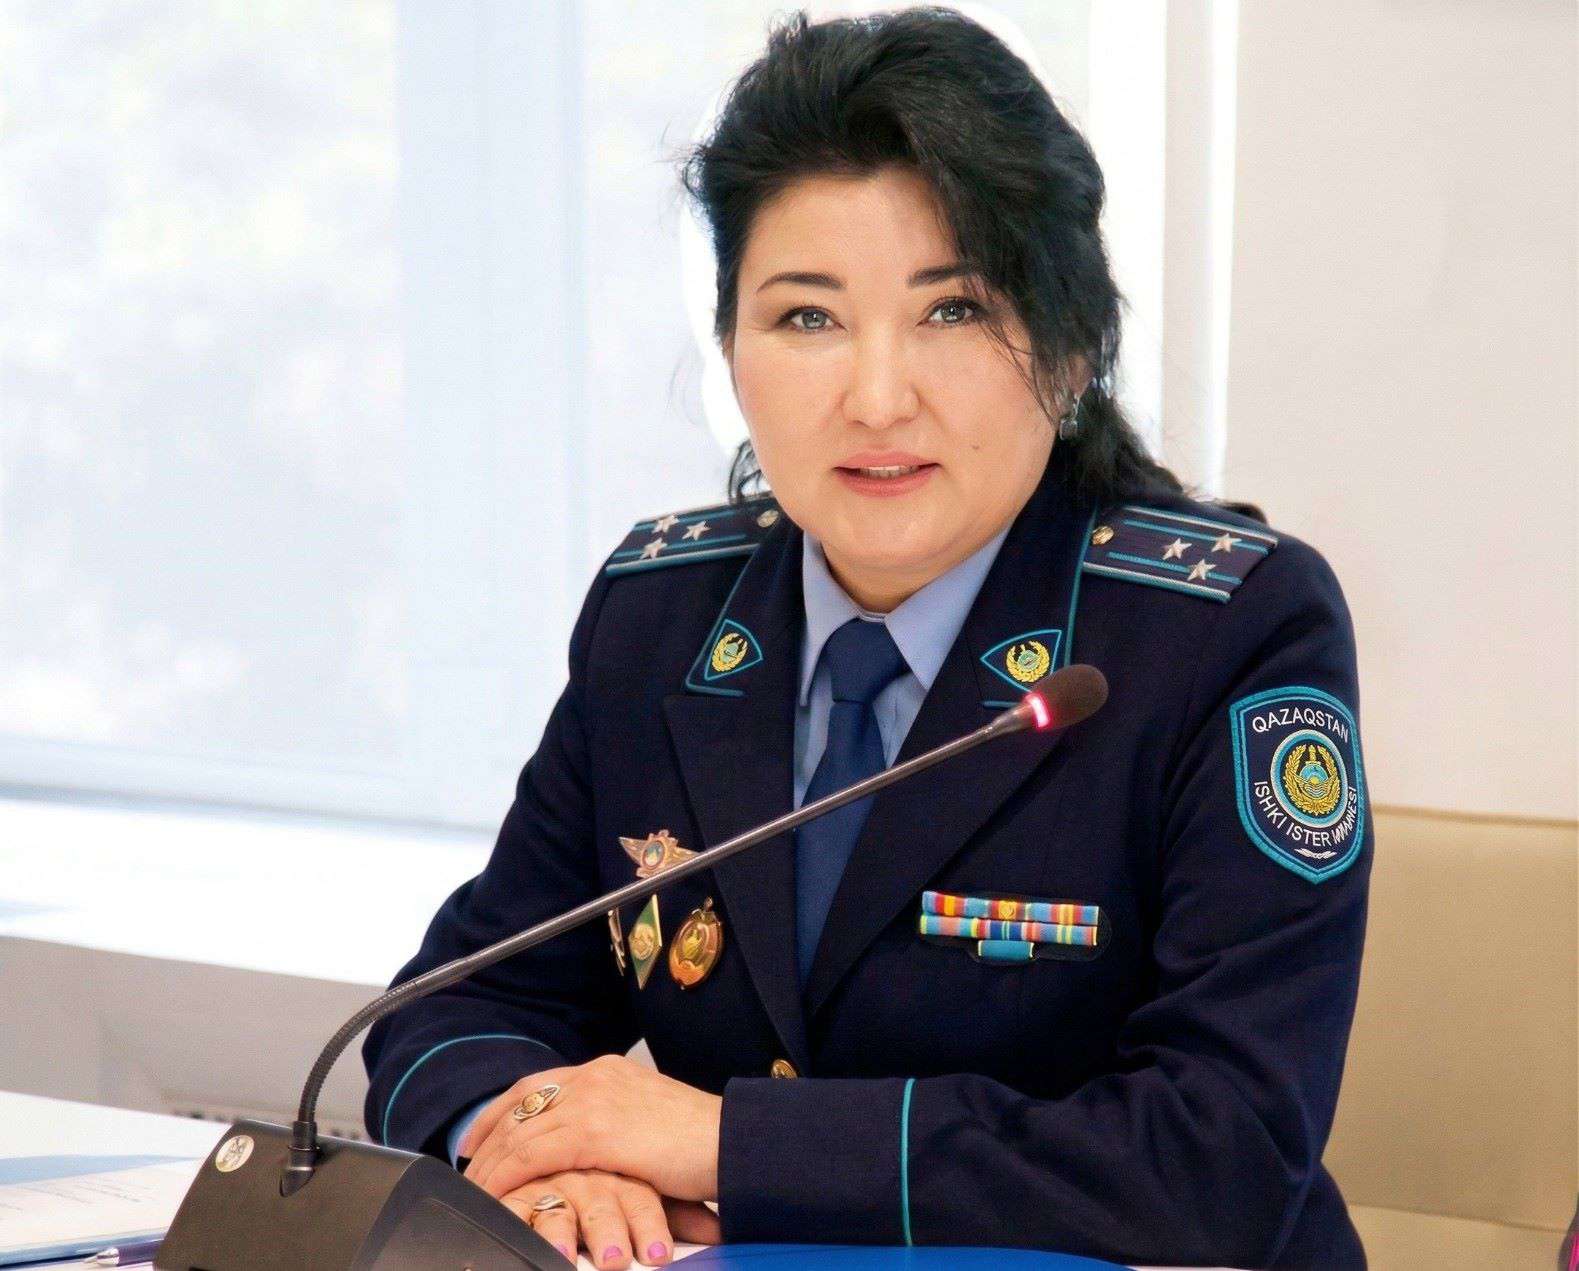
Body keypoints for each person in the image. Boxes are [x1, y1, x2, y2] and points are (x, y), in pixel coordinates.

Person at [361, 9, 1372, 1269]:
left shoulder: (1225, 632)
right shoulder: (662, 614)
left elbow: (1219, 1156)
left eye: (953, 311)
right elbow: (456, 1006)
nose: (877, 396)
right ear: (730, 352)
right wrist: (541, 1155)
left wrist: (723, 1144)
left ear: (1070, 352)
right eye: (806, 318)